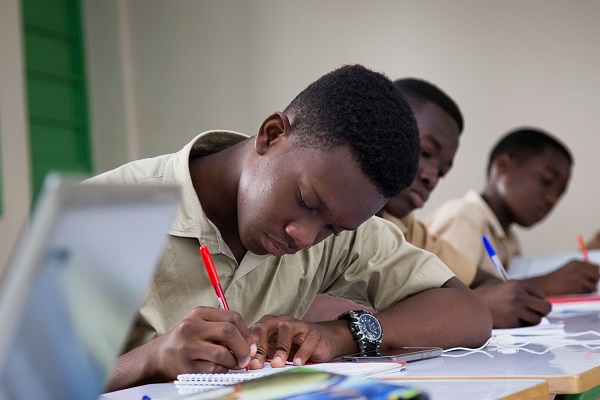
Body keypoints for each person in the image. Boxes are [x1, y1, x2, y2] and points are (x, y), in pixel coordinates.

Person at [87, 65, 491, 391]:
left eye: (331, 228)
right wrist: (153, 359)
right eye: (306, 201)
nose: (306, 237)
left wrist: (341, 334)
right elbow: (25, 385)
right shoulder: (108, 212)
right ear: (272, 134)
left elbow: (469, 312)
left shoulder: (340, 218)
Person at [303, 79, 551, 329]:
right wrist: (465, 309)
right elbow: (307, 308)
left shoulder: (406, 228)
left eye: (442, 172)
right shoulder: (327, 216)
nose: (431, 177)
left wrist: (462, 304)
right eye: (425, 153)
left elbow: (484, 283)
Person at [426, 128, 600, 299]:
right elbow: (446, 300)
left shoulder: (509, 239)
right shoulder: (465, 218)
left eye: (560, 193)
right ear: (503, 166)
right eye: (546, 181)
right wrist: (546, 283)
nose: (552, 199)